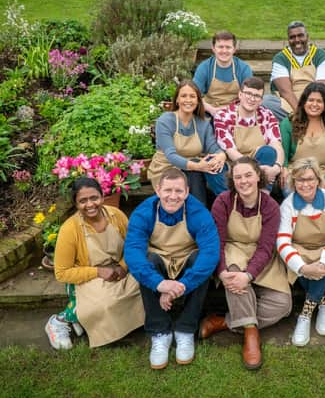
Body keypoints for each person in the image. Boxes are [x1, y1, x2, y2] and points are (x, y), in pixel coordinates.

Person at [124, 167, 220, 369]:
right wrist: (159, 284)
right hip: (159, 260)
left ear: (187, 192)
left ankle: (185, 329)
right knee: (146, 263)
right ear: (158, 190)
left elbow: (210, 253)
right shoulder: (143, 213)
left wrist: (180, 286)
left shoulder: (199, 213)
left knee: (200, 263)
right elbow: (133, 253)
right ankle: (160, 332)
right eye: (168, 190)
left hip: (186, 260)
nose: (173, 196)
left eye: (178, 191)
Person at [202, 157, 292, 369]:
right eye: (238, 177)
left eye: (248, 175)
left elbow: (266, 247)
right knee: (234, 276)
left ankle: (225, 321)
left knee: (283, 305)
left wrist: (249, 275)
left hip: (262, 257)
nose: (243, 181)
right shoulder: (223, 201)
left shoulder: (270, 206)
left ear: (258, 177)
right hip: (233, 250)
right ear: (232, 180)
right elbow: (218, 241)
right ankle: (251, 335)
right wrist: (222, 271)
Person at [45, 177, 144, 350]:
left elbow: (134, 246)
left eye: (94, 198)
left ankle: (89, 321)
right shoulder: (70, 229)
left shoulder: (116, 215)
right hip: (88, 277)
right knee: (105, 304)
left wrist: (123, 266)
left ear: (102, 196)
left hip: (119, 271)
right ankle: (61, 321)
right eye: (83, 201)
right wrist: (98, 272)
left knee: (147, 285)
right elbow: (62, 273)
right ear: (76, 204)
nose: (90, 204)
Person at [276, 157, 325, 346]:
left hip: (324, 249)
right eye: (300, 180)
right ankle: (322, 303)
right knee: (301, 264)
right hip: (299, 250)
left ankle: (305, 314)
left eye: (309, 179)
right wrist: (302, 268)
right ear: (293, 182)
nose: (305, 184)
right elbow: (283, 241)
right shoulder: (288, 205)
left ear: (317, 180)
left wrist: (323, 262)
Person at [147, 80, 227, 206]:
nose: (188, 100)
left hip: (193, 168)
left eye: (192, 96)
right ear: (177, 100)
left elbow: (213, 147)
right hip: (166, 168)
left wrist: (221, 155)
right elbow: (171, 155)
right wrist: (198, 166)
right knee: (195, 169)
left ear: (198, 100)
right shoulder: (165, 121)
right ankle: (201, 212)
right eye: (184, 96)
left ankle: (225, 201)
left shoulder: (203, 123)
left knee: (212, 165)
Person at [263, 21, 325, 121]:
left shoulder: (321, 55)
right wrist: (301, 114)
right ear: (288, 40)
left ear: (307, 37)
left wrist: (313, 110)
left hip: (318, 101)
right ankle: (311, 122)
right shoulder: (280, 58)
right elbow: (286, 91)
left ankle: (298, 122)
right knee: (265, 102)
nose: (297, 40)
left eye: (300, 36)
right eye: (292, 37)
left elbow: (321, 88)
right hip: (291, 102)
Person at [279, 82, 325, 197]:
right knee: (293, 196)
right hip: (297, 172)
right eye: (311, 100)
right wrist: (284, 167)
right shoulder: (288, 124)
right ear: (303, 102)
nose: (314, 104)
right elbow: (282, 151)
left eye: (319, 101)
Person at [214, 76, 284, 187]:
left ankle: (262, 196)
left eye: (256, 96)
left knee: (269, 151)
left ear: (261, 100)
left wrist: (277, 167)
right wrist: (254, 169)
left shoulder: (267, 115)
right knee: (214, 169)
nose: (252, 99)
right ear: (240, 94)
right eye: (248, 94)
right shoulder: (224, 116)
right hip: (234, 164)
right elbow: (230, 151)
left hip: (260, 163)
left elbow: (277, 145)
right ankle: (232, 200)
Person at [193, 31, 253, 118]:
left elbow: (249, 96)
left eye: (228, 47)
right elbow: (193, 95)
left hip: (237, 111)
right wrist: (211, 109)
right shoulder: (204, 67)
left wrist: (229, 110)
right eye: (220, 47)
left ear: (234, 49)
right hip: (209, 112)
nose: (224, 51)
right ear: (213, 48)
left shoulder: (244, 69)